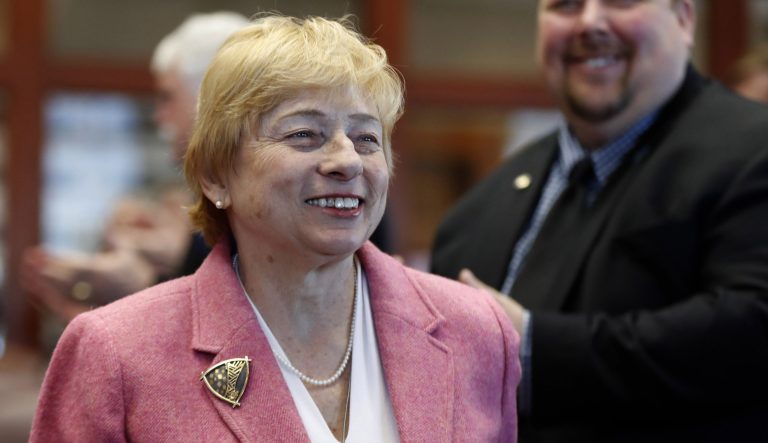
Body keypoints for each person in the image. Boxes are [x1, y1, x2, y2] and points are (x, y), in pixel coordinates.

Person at [30, 14, 520, 442]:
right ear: (215, 175)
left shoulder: (476, 332)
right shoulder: (115, 353)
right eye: (304, 133)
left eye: (367, 137)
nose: (347, 159)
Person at [431, 0, 768, 441]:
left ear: (684, 17)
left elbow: (752, 329)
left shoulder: (755, 151)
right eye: (564, 6)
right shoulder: (476, 212)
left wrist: (532, 348)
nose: (590, 21)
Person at [19, 12, 250, 322]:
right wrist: (167, 253)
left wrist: (140, 282)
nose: (159, 115)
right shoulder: (218, 192)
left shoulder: (252, 193)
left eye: (167, 97)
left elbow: (234, 318)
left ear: (211, 98)